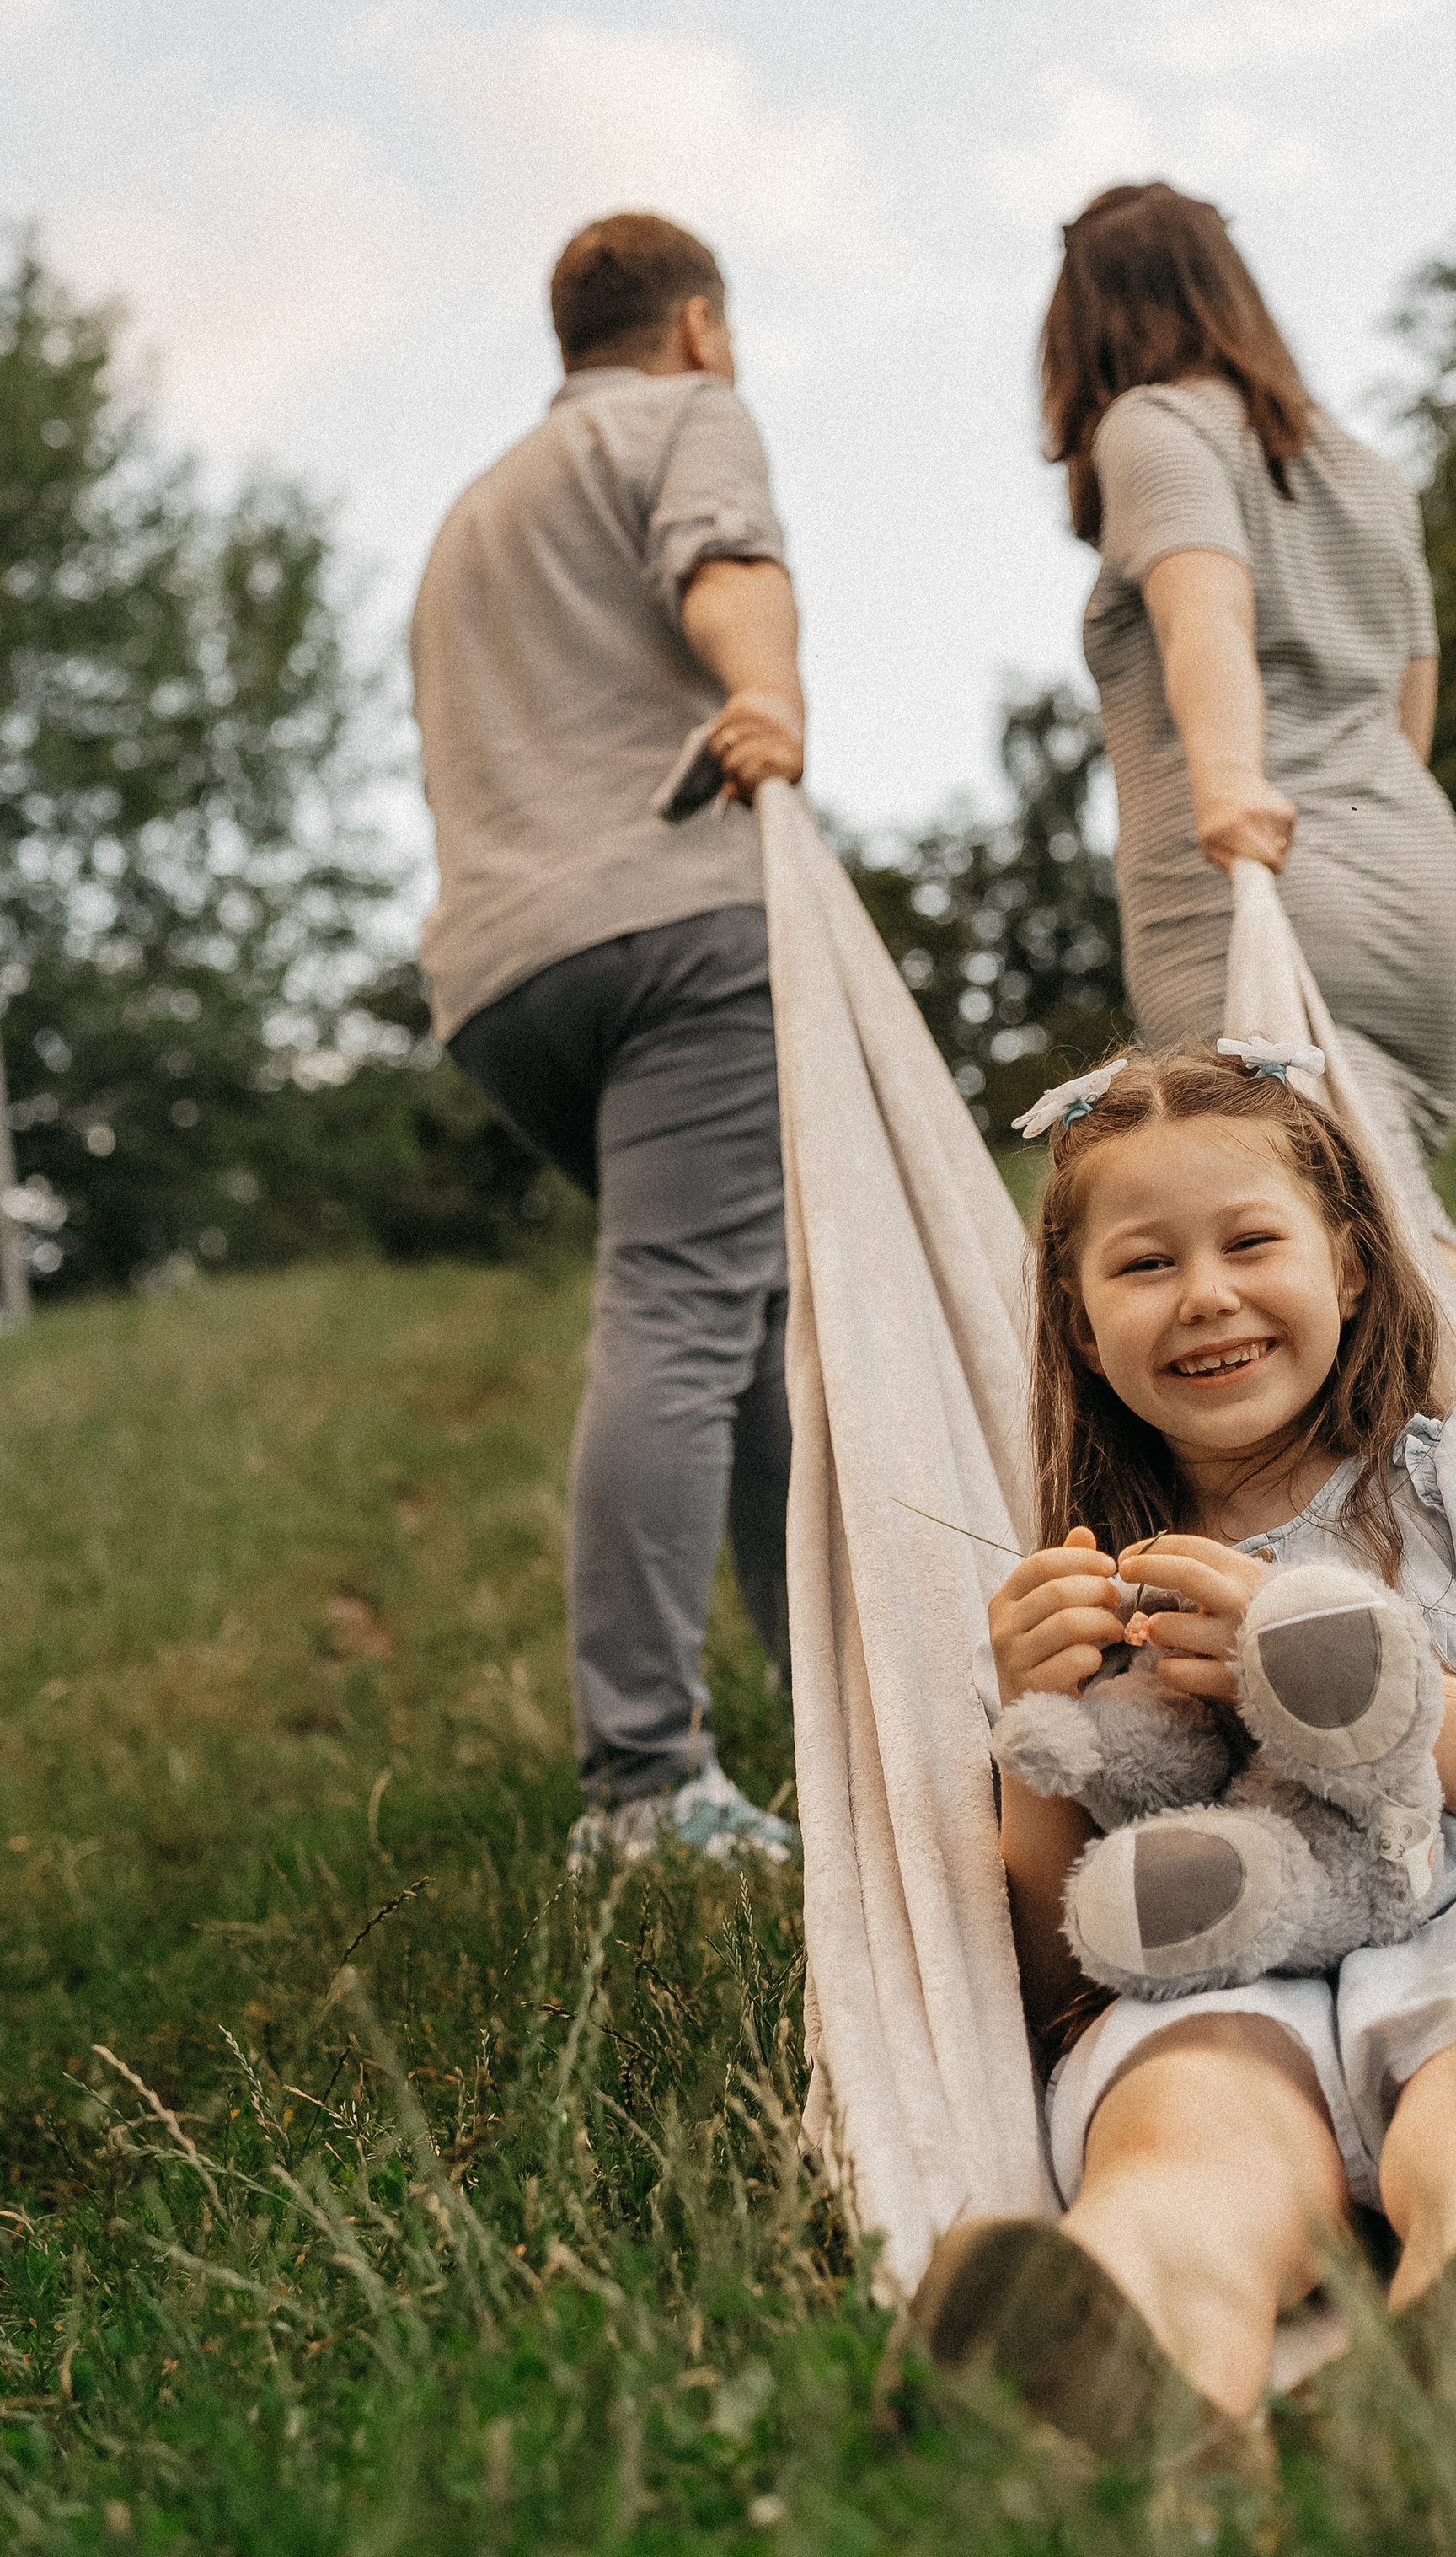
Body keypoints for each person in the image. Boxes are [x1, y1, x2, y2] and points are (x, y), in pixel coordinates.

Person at [902, 1042, 1456, 2452]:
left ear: (1348, 1264)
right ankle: (1118, 2375)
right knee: (1184, 2147)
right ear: (1081, 1323)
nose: (1207, 1294)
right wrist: (1038, 1742)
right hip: (1211, 1972)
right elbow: (1042, 1970)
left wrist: (1328, 1665)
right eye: (1146, 1265)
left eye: (1251, 1241)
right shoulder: (1089, 1574)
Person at [410, 211, 803, 1874]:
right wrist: (764, 691)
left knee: (748, 1320)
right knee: (690, 1314)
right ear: (695, 326)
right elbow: (725, 565)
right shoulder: (685, 417)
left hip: (505, 982)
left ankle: (836, 1683)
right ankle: (644, 1787)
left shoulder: (466, 518)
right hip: (675, 924)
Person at [1041, 183, 1456, 1395]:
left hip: (1251, 883)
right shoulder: (1363, 471)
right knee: (1372, 1226)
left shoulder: (1152, 427)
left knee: (1392, 1262)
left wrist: (1228, 790)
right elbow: (1408, 708)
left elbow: (1204, 607)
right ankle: (1432, 1560)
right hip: (1414, 882)